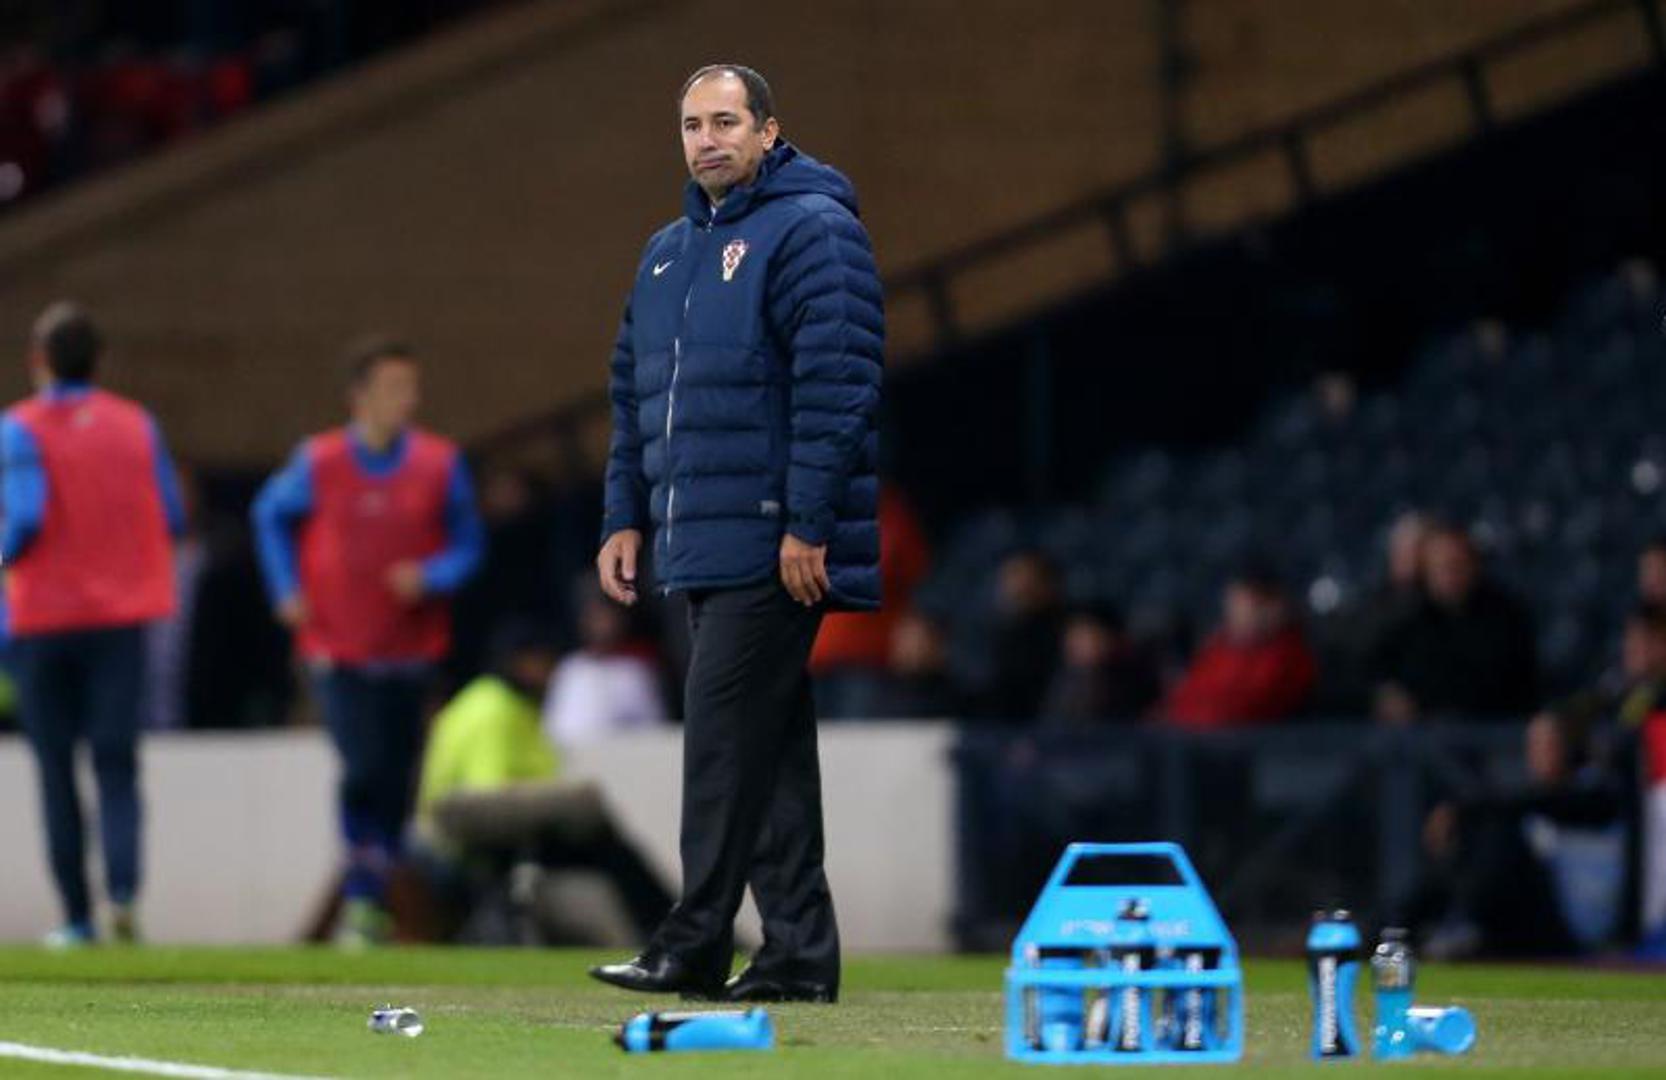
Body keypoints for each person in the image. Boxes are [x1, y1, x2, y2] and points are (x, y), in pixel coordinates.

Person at [588, 64, 883, 1003]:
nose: (707, 140)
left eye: (725, 122)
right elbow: (634, 398)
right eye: (692, 125)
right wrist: (624, 513)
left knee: (719, 743)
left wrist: (806, 524)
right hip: (697, 540)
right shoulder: (667, 252)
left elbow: (839, 386)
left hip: (768, 539)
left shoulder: (814, 230)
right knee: (766, 752)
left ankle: (694, 942)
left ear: (768, 132)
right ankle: (797, 954)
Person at [252, 337, 484, 947]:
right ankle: (363, 897)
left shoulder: (438, 463)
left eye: (411, 387)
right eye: (392, 388)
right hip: (337, 647)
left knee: (397, 776)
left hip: (410, 649)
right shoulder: (319, 461)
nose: (406, 400)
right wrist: (285, 588)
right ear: (359, 396)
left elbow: (469, 546)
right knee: (361, 767)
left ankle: (374, 892)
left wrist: (431, 576)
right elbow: (268, 516)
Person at [2, 301, 185, 946]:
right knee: (116, 760)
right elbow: (171, 513)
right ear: (100, 361)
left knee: (56, 770)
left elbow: (24, 516)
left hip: (43, 621)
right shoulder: (137, 424)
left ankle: (77, 917)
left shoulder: (19, 428)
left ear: (39, 360)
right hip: (119, 619)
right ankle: (125, 893)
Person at [411, 623, 674, 945]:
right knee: (590, 815)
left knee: (598, 841)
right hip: (450, 834)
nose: (551, 672)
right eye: (544, 661)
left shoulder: (520, 707)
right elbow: (489, 795)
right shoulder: (492, 708)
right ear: (519, 662)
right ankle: (665, 922)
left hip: (502, 834)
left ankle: (661, 924)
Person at [1372, 523, 1537, 723]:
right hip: (1418, 732)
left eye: (1457, 565)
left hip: (1489, 728)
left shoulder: (1506, 618)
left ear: (1474, 566)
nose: (1449, 575)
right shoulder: (1403, 617)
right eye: (1440, 567)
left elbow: (1517, 688)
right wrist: (1384, 694)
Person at [1164, 570, 1316, 729]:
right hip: (1185, 734)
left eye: (1246, 604)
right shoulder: (1219, 647)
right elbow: (1182, 699)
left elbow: (1242, 711)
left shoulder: (1289, 657)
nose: (1236, 613)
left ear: (1273, 607)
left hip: (1237, 739)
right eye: (1233, 604)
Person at [542, 577, 670, 748]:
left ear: (621, 620)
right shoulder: (570, 668)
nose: (601, 625)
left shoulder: (635, 672)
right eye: (593, 617)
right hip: (573, 758)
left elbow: (655, 733)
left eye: (605, 617)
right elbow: (553, 729)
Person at [1040, 602, 1160, 726]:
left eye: (1085, 636)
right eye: (1072, 636)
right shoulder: (1060, 678)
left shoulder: (1131, 680)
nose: (1075, 644)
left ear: (1108, 639)